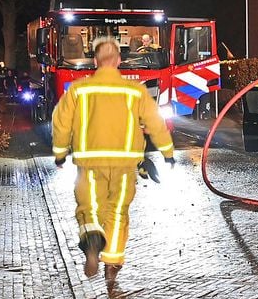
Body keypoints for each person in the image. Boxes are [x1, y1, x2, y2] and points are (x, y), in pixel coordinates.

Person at [51, 36, 175, 286]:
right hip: (125, 163)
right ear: (119, 60)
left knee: (88, 209)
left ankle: (92, 239)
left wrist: (60, 153)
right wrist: (167, 152)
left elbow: (61, 123)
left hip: (89, 162)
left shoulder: (79, 90)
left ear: (95, 61)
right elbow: (155, 123)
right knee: (118, 212)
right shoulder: (135, 91)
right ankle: (112, 264)